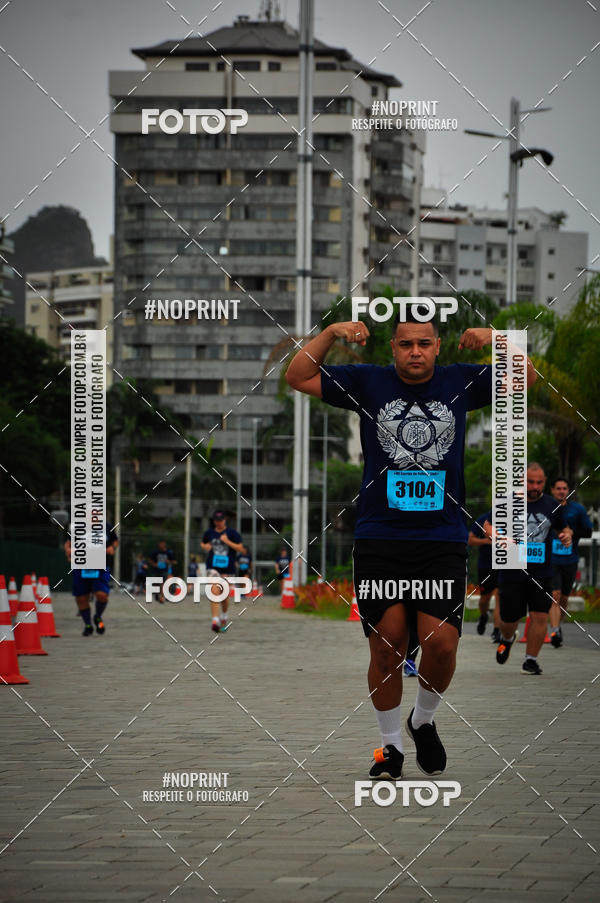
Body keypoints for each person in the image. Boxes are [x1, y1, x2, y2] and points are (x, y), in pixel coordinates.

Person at [286, 311, 536, 778]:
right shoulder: (368, 382)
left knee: (441, 644)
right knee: (388, 646)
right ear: (393, 348)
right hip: (380, 537)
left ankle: (422, 720)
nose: (415, 352)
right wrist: (331, 333)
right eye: (406, 344)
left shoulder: (461, 381)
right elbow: (298, 375)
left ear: (437, 346)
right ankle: (390, 749)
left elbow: (527, 377)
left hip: (441, 538)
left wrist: (497, 338)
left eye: (424, 343)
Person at [495, 463, 572, 675]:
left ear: (544, 482)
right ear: (522, 481)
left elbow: (564, 527)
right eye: (530, 482)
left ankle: (531, 660)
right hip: (512, 571)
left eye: (539, 483)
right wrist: (498, 537)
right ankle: (507, 638)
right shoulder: (507, 501)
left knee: (539, 615)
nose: (535, 487)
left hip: (541, 572)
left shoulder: (552, 505)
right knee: (509, 620)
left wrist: (566, 535)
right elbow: (488, 525)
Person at [549, 476, 593, 647]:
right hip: (551, 560)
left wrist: (572, 533)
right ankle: (554, 631)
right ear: (552, 490)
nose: (561, 491)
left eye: (564, 488)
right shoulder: (546, 508)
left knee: (564, 598)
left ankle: (558, 626)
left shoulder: (577, 509)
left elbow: (588, 532)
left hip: (570, 559)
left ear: (568, 491)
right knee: (555, 595)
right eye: (558, 488)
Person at [64, 522, 119, 636]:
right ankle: (88, 625)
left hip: (101, 566)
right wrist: (68, 553)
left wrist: (112, 547)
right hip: (81, 566)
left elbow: (115, 541)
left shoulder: (107, 526)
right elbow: (68, 544)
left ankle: (97, 617)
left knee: (102, 595)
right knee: (81, 598)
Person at [201, 510, 244, 632]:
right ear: (214, 521)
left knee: (224, 596)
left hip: (228, 568)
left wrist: (227, 541)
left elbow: (240, 548)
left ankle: (224, 616)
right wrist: (205, 546)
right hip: (213, 567)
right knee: (214, 590)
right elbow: (203, 543)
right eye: (216, 521)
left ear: (225, 520)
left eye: (220, 520)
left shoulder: (232, 533)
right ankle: (215, 620)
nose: (218, 523)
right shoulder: (209, 533)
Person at [468, 509, 501, 642]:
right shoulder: (484, 519)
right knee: (484, 598)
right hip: (486, 565)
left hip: (503, 564)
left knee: (499, 596)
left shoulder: (511, 518)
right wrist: (486, 542)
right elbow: (470, 539)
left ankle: (497, 630)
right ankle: (483, 616)